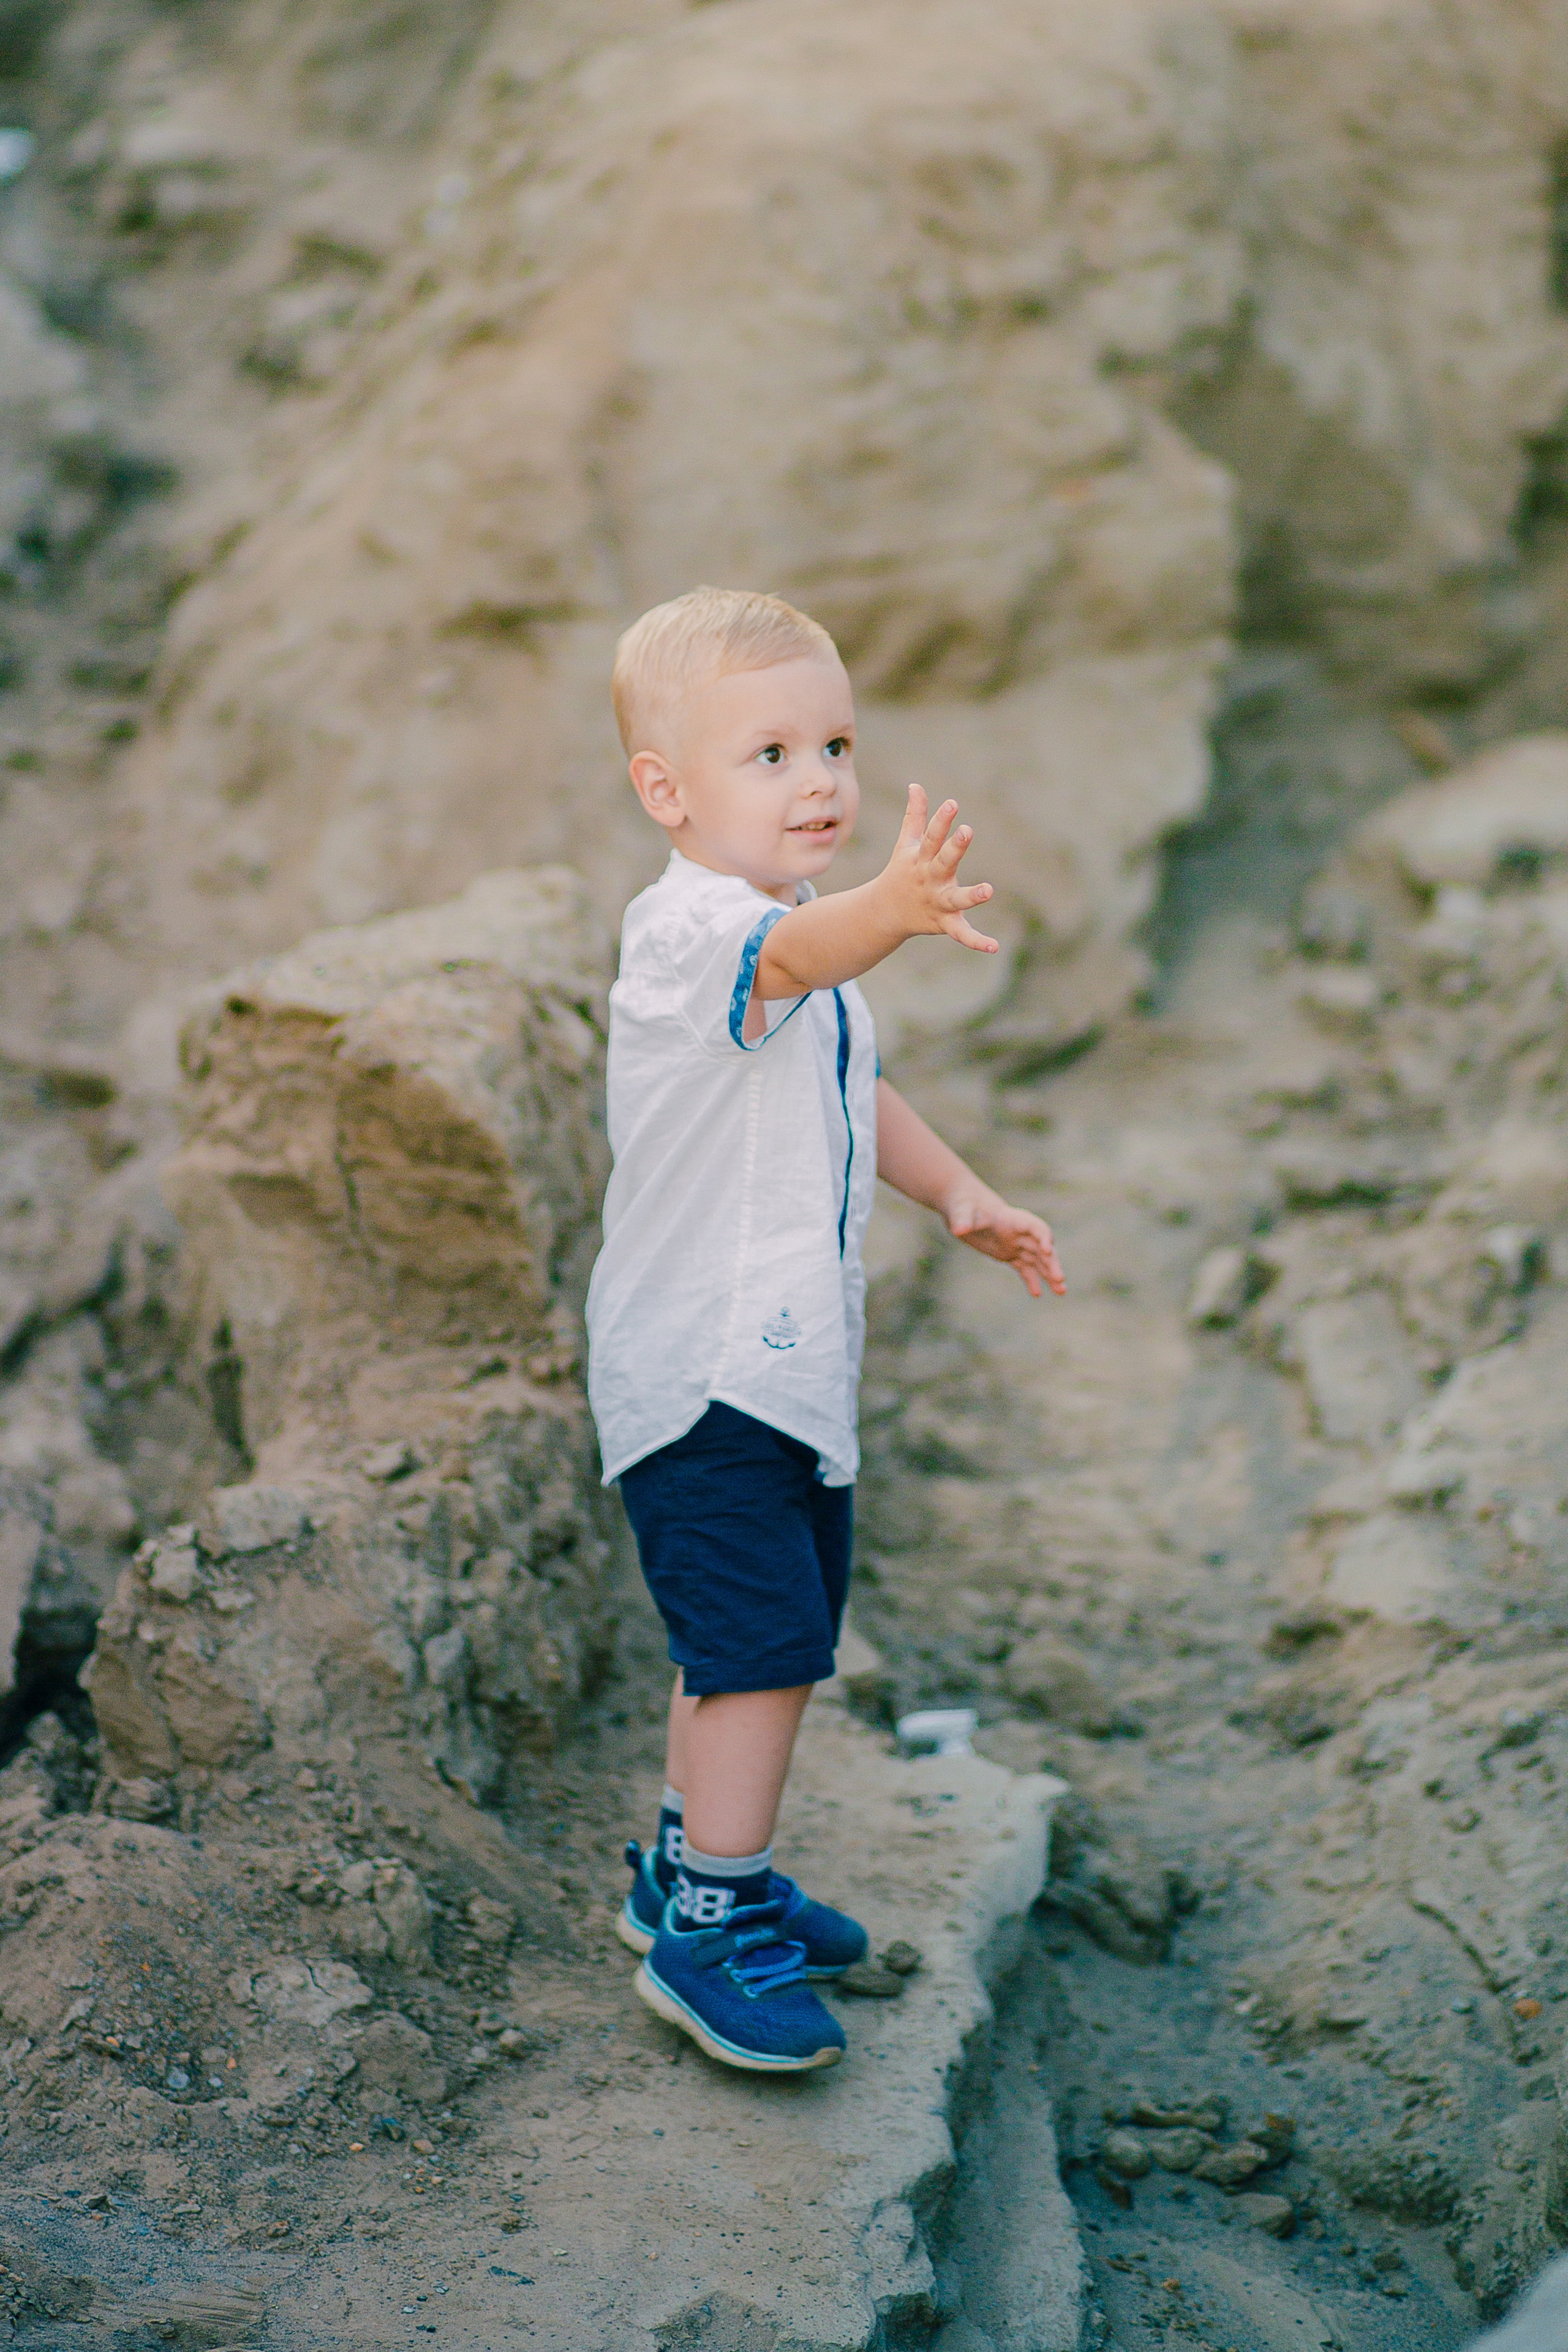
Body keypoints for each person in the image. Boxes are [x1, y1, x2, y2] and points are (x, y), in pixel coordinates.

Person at [586, 586, 1066, 2073]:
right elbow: (802, 972)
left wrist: (958, 1194)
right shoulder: (690, 939)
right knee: (763, 1650)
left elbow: (847, 1080)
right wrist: (894, 911)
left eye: (836, 746)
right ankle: (710, 1931)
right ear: (666, 790)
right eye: (771, 755)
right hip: (704, 1372)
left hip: (784, 1375)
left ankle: (686, 1873)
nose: (821, 783)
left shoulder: (793, 938)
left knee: (746, 1637)